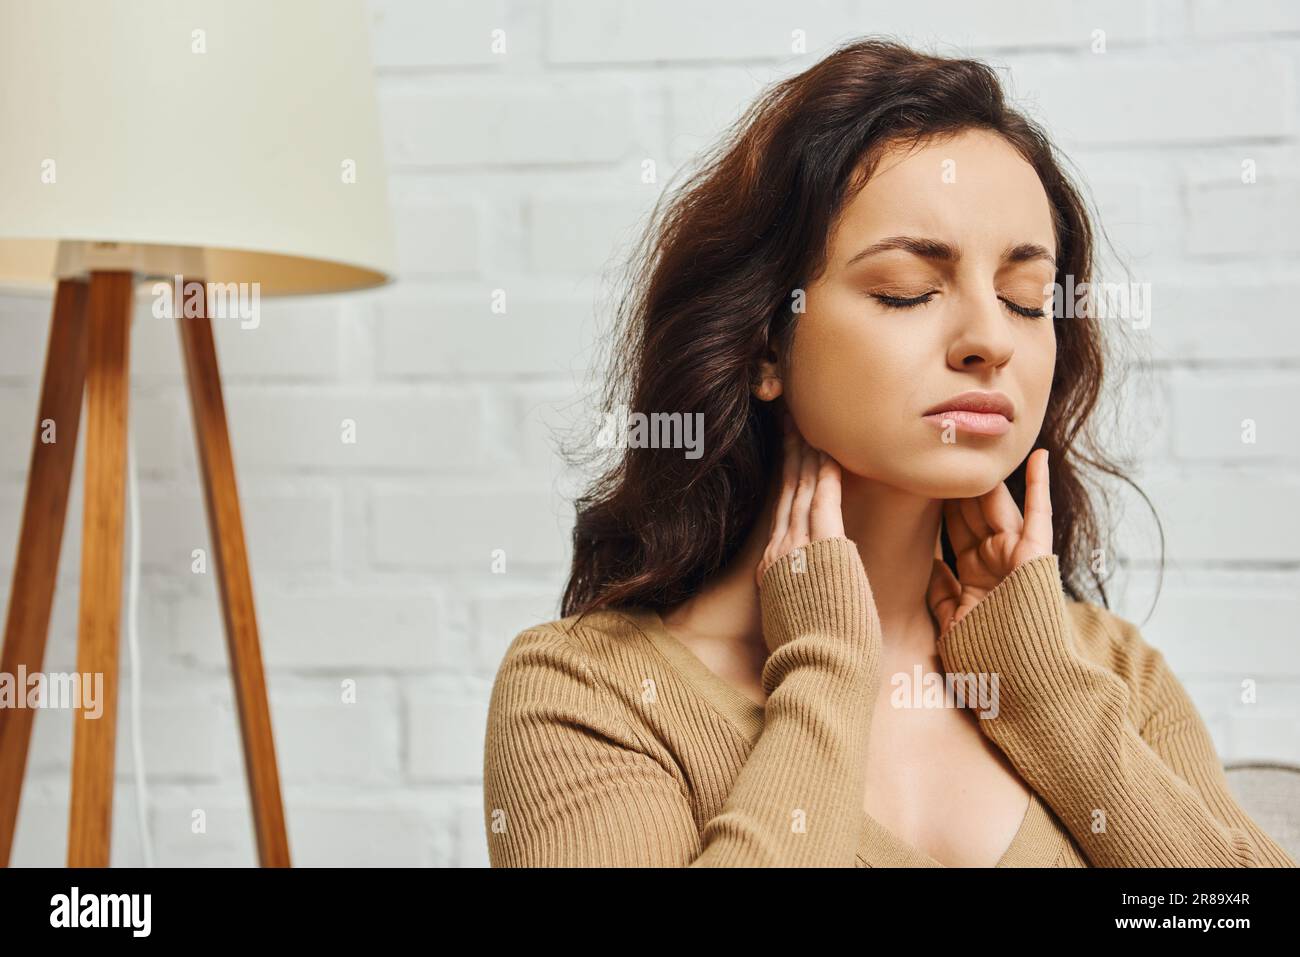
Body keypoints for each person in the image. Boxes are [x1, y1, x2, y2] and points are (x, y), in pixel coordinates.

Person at [480, 37, 1296, 868]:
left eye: (1023, 299)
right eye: (907, 289)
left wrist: (1047, 695)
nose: (989, 340)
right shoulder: (591, 694)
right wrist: (827, 675)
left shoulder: (1106, 669)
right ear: (765, 342)